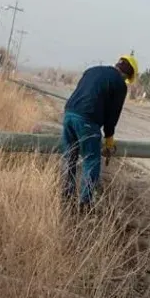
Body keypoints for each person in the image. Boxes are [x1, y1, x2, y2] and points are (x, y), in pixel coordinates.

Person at [60, 55, 137, 210]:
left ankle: (66, 196)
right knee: (91, 161)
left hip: (69, 114)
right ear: (127, 75)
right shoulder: (120, 85)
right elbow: (112, 116)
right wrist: (109, 140)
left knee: (70, 156)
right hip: (87, 119)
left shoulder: (92, 70)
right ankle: (85, 204)